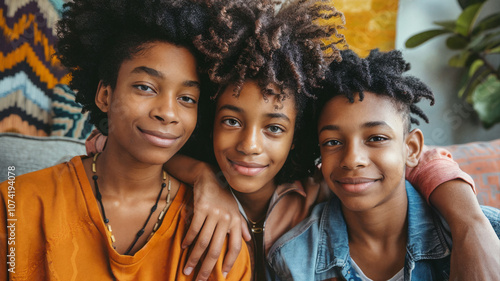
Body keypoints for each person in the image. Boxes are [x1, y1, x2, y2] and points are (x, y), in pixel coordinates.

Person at [86, 1, 497, 280]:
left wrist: (470, 224)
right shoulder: (180, 186)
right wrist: (203, 178)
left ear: (299, 136)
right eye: (231, 120)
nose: (249, 145)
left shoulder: (318, 187)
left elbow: (418, 159)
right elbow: (108, 144)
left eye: (275, 128)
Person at [0, 0, 252, 280]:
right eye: (145, 87)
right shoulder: (15, 205)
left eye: (186, 99)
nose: (168, 113)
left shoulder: (219, 235)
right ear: (105, 96)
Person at [267, 49, 500, 280]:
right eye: (333, 142)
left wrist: (471, 225)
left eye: (376, 138)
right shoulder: (292, 261)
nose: (352, 159)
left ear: (411, 148)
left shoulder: (488, 234)